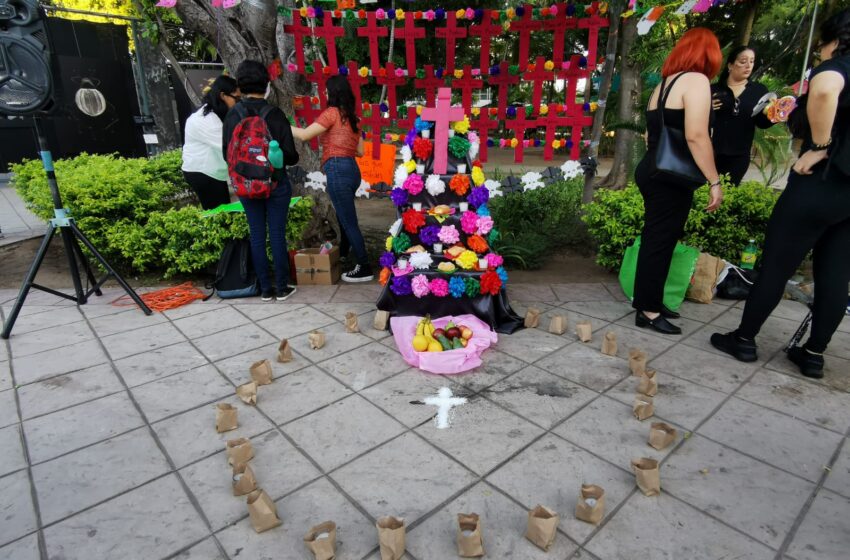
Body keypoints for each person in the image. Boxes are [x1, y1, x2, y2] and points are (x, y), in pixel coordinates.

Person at [712, 9, 850, 378]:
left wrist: (822, 145)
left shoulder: (838, 66)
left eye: (822, 44)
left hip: (821, 184)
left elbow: (823, 90)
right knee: (836, 274)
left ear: (835, 39)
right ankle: (814, 355)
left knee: (776, 264)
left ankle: (744, 339)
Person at [632, 28, 724, 335]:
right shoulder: (697, 81)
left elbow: (650, 135)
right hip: (670, 177)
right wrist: (714, 180)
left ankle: (651, 301)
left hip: (652, 169)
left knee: (659, 239)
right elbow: (696, 135)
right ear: (708, 53)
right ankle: (648, 310)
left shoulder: (664, 84)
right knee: (660, 241)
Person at [222, 60, 299, 302]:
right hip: (275, 183)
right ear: (266, 83)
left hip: (246, 185)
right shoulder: (274, 114)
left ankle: (265, 289)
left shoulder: (233, 115)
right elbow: (291, 155)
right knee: (276, 234)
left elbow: (227, 153)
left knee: (256, 234)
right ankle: (282, 287)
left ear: (240, 85)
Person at [291, 75, 373, 282]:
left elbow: (303, 135)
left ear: (333, 92)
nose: (325, 94)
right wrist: (343, 145)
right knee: (344, 216)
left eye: (326, 91)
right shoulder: (353, 118)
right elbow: (361, 152)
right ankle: (344, 253)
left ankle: (364, 266)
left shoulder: (331, 113)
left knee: (348, 220)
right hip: (352, 170)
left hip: (337, 169)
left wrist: (280, 124)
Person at [711, 46, 775, 185]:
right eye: (743, 61)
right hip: (711, 152)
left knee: (727, 193)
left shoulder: (759, 90)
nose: (748, 66)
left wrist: (775, 115)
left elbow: (761, 123)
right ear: (730, 65)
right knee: (704, 191)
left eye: (752, 61)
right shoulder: (714, 90)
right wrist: (708, 109)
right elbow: (700, 120)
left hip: (739, 155)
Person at [181, 75, 240, 209]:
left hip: (212, 172)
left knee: (223, 211)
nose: (239, 102)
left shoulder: (217, 113)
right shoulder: (207, 120)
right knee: (218, 215)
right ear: (223, 95)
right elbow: (230, 148)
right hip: (203, 172)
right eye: (237, 98)